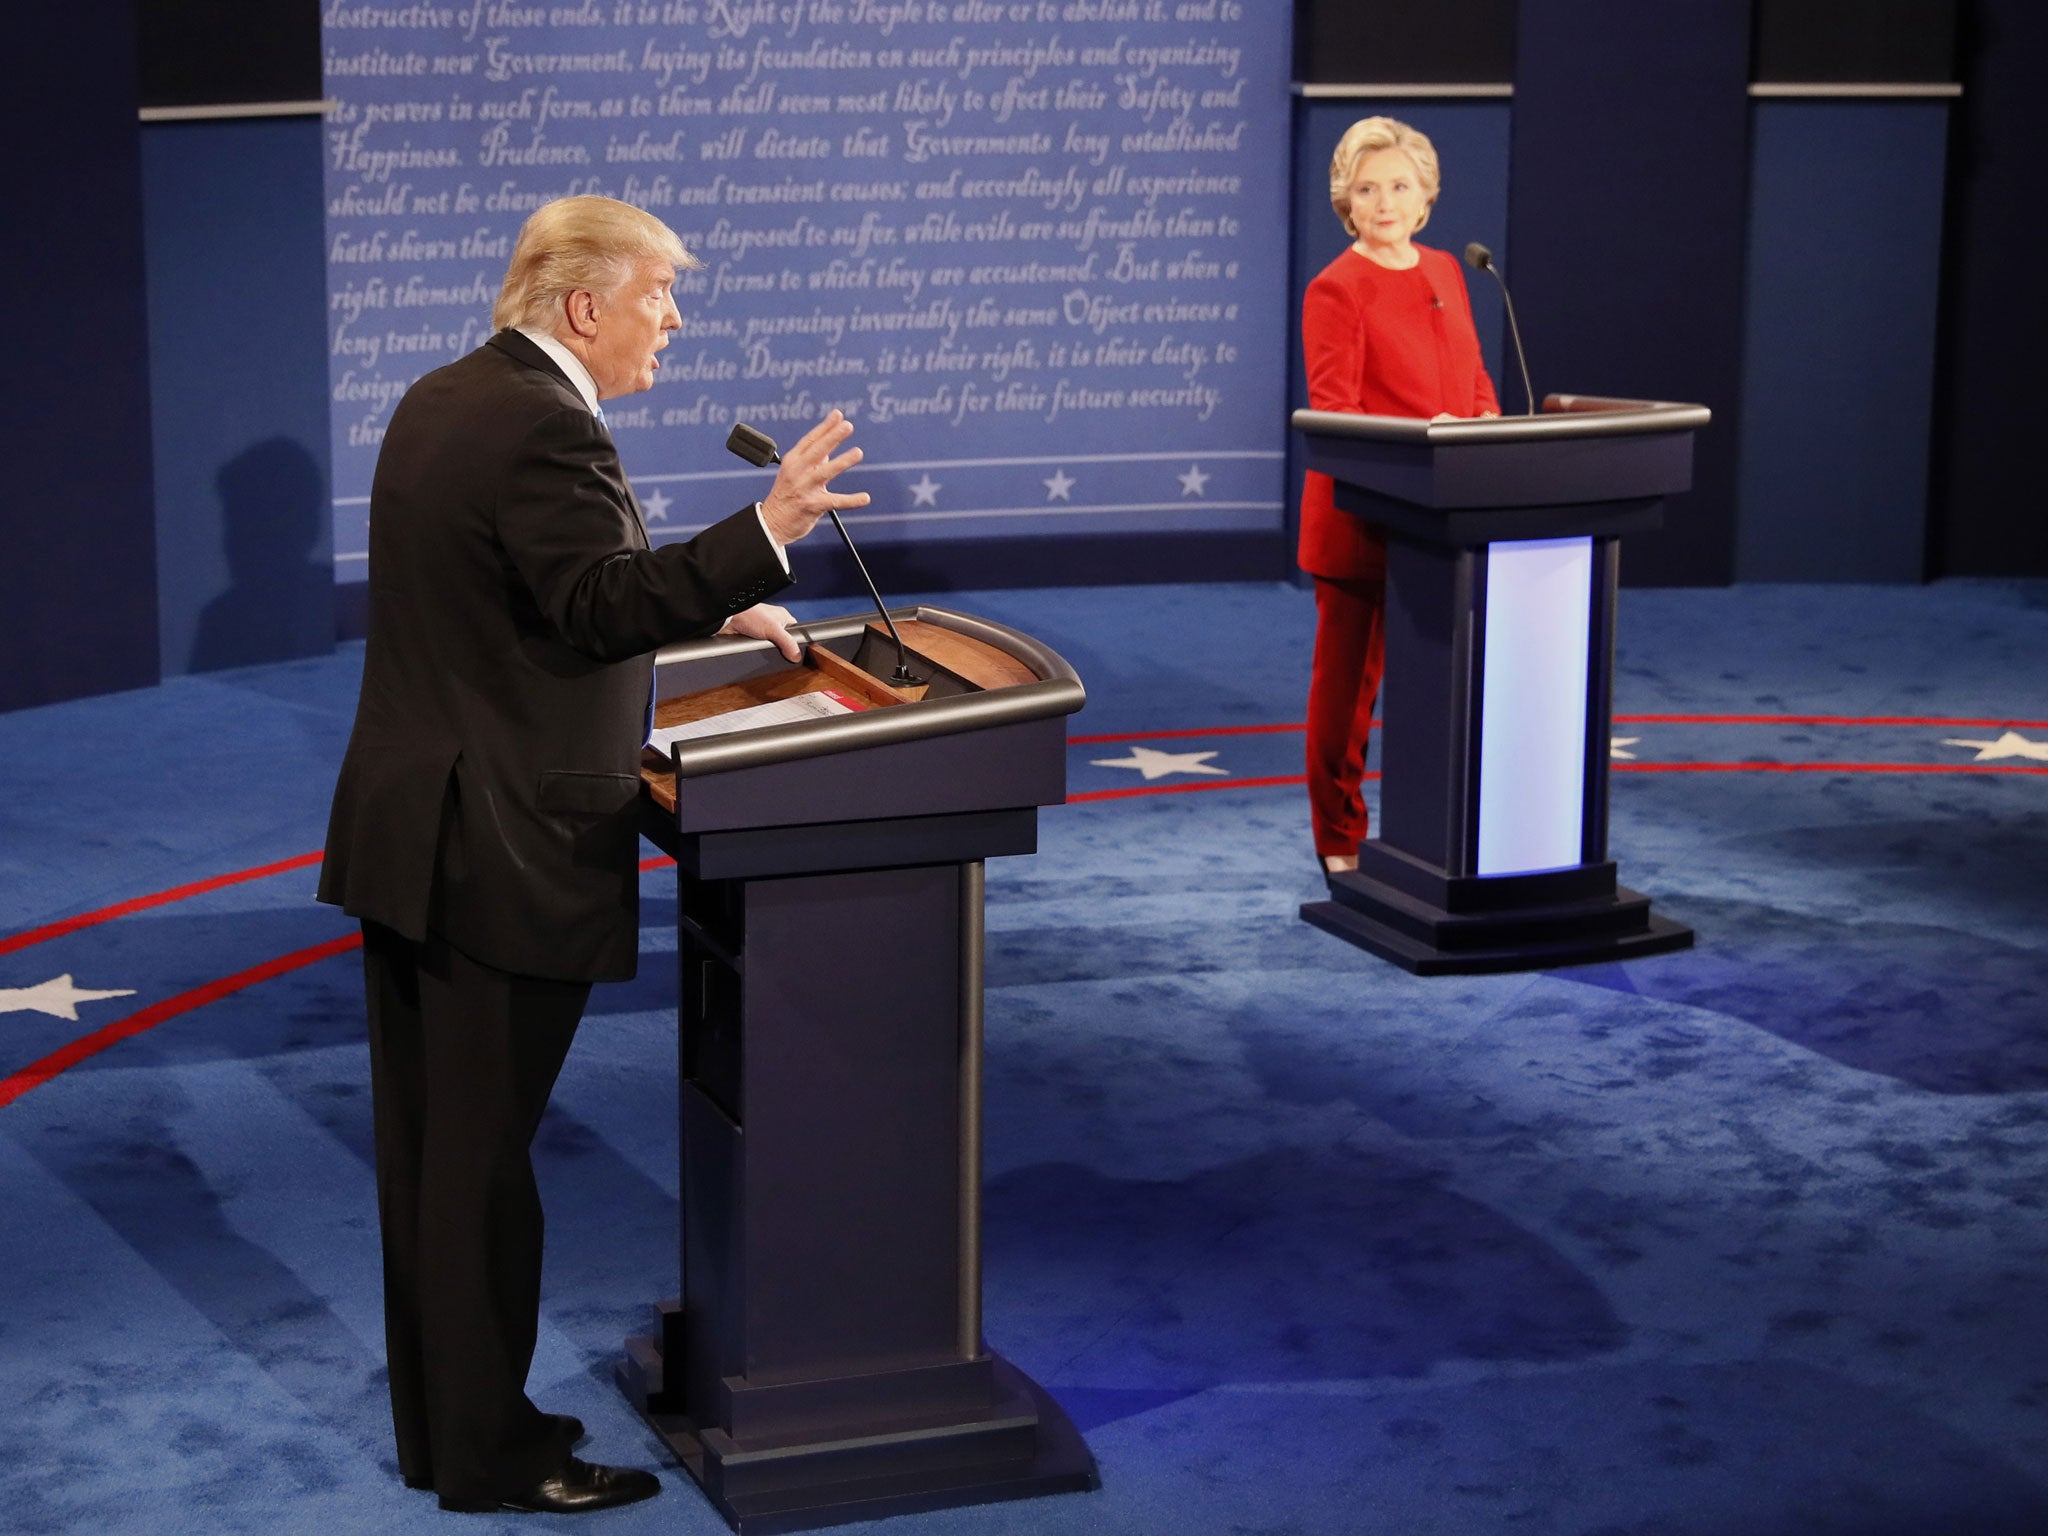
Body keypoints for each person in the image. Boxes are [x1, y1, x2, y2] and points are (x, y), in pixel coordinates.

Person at [318, 195, 866, 1514]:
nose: (671, 322)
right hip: (497, 848)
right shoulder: (544, 427)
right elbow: (594, 598)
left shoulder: (451, 397)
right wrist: (769, 525)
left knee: (438, 1161)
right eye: (657, 298)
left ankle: (448, 1439)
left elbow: (527, 607)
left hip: (416, 830)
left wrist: (713, 601)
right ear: (584, 307)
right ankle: (498, 1458)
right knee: (481, 1173)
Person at [1300, 116, 1500, 878]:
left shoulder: (1447, 270)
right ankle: (1340, 838)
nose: (1385, 202)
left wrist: (1483, 422)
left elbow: (1474, 375)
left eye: (1400, 187)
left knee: (1437, 690)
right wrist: (1427, 435)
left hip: (1445, 519)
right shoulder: (1336, 287)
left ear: (1426, 199)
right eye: (1368, 188)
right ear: (1346, 202)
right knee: (1349, 700)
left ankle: (1431, 832)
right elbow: (1336, 412)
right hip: (1364, 520)